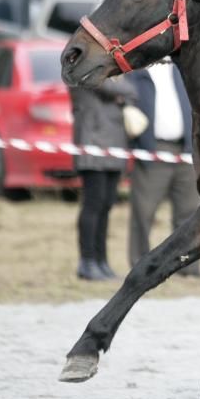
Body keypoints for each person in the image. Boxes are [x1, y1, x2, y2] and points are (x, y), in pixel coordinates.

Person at [125, 59, 200, 275]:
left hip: (184, 149)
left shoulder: (181, 70)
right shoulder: (137, 73)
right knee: (144, 212)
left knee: (188, 213)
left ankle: (187, 266)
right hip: (153, 150)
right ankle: (139, 266)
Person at [70, 77, 137, 281]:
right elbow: (107, 86)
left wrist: (121, 93)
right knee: (93, 205)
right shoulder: (83, 67)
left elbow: (133, 90)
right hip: (92, 142)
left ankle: (101, 260)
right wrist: (120, 94)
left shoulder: (109, 71)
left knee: (107, 205)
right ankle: (87, 261)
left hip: (115, 144)